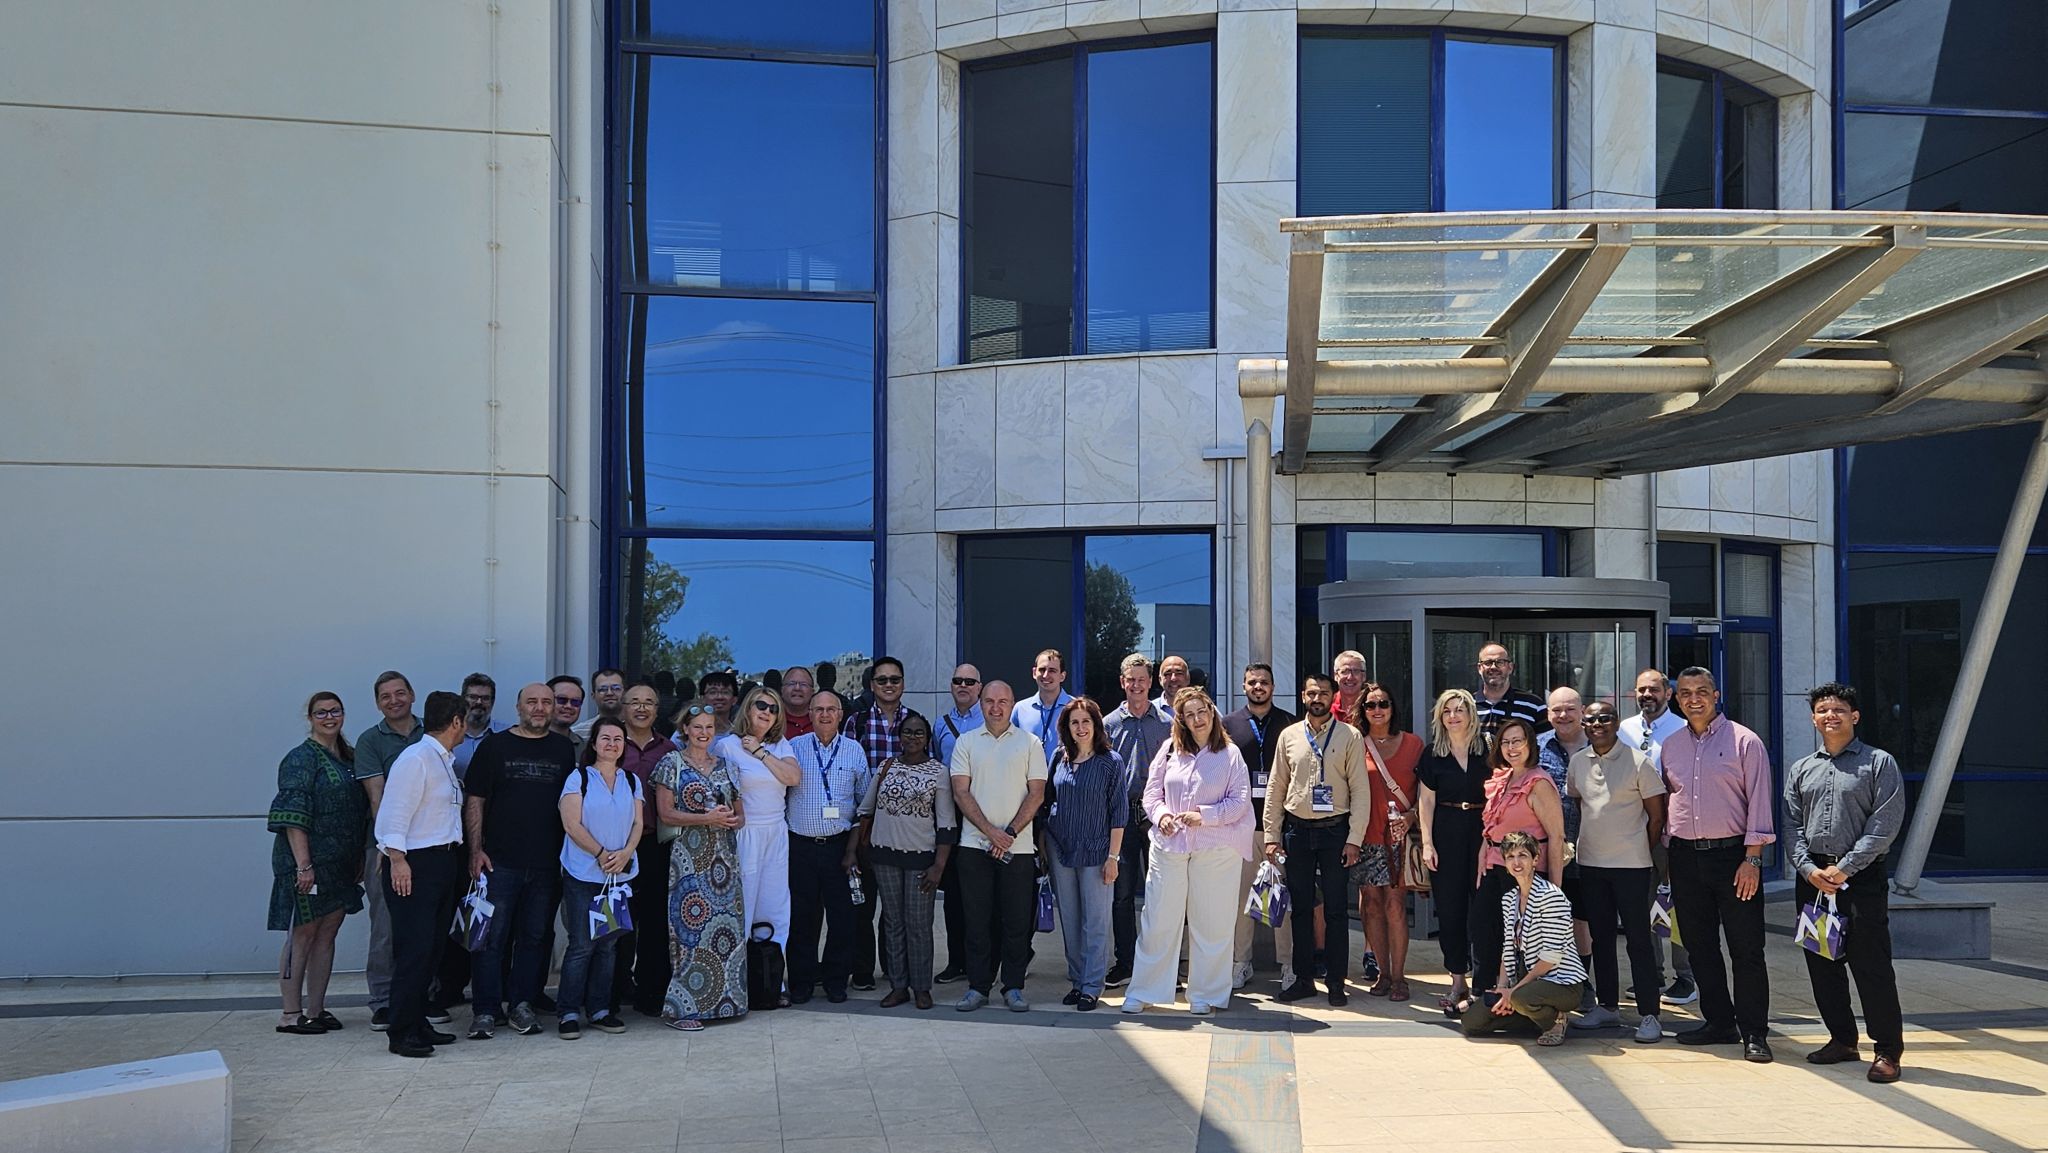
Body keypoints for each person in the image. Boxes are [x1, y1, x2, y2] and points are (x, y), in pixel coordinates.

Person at [1786, 683, 1906, 1083]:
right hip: (1814, 880)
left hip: (1861, 879)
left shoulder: (1878, 763)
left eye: (1838, 710)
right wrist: (1808, 869)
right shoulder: (1802, 768)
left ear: (1854, 716)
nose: (1830, 716)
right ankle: (1842, 1039)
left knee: (1871, 966)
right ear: (1813, 719)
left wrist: (1846, 868)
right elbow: (1791, 825)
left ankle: (1887, 1050)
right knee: (1823, 964)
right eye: (1823, 710)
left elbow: (1884, 824)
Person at [1662, 666, 1776, 1063]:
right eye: (1686, 692)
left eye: (1701, 691)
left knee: (1746, 948)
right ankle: (1719, 1022)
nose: (1694, 699)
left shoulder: (1745, 741)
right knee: (1699, 947)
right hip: (1685, 858)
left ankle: (1754, 1032)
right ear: (1676, 699)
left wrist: (1752, 860)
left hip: (1734, 859)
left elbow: (1759, 803)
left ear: (1716, 695)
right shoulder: (1671, 746)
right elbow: (1671, 801)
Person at [1122, 688, 1253, 1016]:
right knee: (1158, 920)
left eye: (1201, 711)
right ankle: (1145, 991)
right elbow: (1151, 795)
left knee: (1212, 923)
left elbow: (1239, 802)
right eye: (1189, 714)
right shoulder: (1169, 749)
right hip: (1170, 846)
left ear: (1212, 711)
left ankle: (1205, 994)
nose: (1197, 719)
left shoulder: (1230, 754)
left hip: (1216, 847)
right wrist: (1162, 816)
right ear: (1180, 720)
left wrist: (1204, 816)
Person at [462, 683, 578, 1040]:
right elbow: (475, 799)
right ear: (518, 707)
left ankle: (521, 1005)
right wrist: (475, 850)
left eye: (546, 702)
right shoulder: (494, 746)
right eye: (532, 702)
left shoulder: (563, 749)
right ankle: (485, 1009)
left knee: (534, 937)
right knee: (489, 939)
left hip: (546, 863)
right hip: (499, 862)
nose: (540, 708)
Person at [372, 692, 468, 1058]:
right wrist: (397, 860)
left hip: (442, 861)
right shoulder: (416, 759)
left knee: (431, 949)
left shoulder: (441, 759)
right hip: (415, 864)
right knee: (414, 950)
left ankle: (417, 1021)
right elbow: (393, 815)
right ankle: (401, 1031)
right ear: (456, 721)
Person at [1567, 700, 1667, 1044]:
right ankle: (1607, 1006)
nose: (1598, 724)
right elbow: (1580, 803)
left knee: (1639, 940)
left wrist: (1635, 845)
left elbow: (1657, 817)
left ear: (1617, 722)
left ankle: (1650, 1013)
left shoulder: (1640, 762)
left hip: (1632, 866)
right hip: (1591, 864)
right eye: (1591, 719)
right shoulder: (1578, 761)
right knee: (1601, 938)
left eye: (1605, 718)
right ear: (1584, 724)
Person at [268, 692, 368, 1035]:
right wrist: (304, 865)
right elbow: (292, 815)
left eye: (335, 711)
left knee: (328, 932)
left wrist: (358, 856)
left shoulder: (348, 758)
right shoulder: (300, 759)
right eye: (321, 713)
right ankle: (290, 1013)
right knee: (303, 933)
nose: (329, 718)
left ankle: (315, 1009)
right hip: (307, 863)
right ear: (310, 718)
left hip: (340, 864)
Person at [1266, 673, 1367, 1006]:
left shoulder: (1350, 735)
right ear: (1303, 696)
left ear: (1332, 696)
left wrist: (1354, 839)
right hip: (1297, 831)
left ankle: (1336, 981)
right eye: (1312, 693)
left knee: (1336, 909)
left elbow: (1360, 790)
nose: (1317, 698)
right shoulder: (1289, 736)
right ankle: (1304, 979)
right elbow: (1276, 786)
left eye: (1324, 693)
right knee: (1300, 909)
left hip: (1335, 832)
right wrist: (1272, 835)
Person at [950, 680, 1048, 1012]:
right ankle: (978, 987)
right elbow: (961, 792)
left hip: (1017, 849)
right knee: (977, 922)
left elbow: (1037, 793)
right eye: (989, 701)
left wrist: (1008, 833)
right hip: (974, 847)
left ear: (1012, 704)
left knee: (1016, 923)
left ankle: (1013, 986)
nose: (995, 707)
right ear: (981, 704)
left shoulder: (1030, 743)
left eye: (1002, 701)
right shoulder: (966, 742)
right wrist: (992, 833)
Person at [651, 705, 748, 1029]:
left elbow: (741, 815)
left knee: (726, 930)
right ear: (685, 729)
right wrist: (705, 818)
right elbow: (665, 814)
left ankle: (727, 1003)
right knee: (689, 932)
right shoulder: (671, 763)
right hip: (689, 861)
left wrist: (729, 819)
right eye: (697, 727)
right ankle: (683, 1009)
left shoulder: (728, 766)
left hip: (725, 861)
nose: (703, 733)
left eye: (709, 727)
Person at [856, 712, 957, 1010]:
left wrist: (939, 866)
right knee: (892, 922)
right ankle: (898, 986)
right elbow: (866, 810)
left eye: (919, 733)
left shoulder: (939, 772)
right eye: (908, 732)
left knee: (919, 925)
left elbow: (946, 824)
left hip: (921, 861)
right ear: (899, 737)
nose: (913, 737)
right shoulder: (886, 767)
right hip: (884, 856)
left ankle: (921, 987)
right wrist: (856, 851)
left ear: (927, 739)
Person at [1468, 718, 1567, 1013]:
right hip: (1494, 865)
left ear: (1530, 745)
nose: (1511, 748)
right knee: (1483, 928)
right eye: (1506, 742)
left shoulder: (1539, 783)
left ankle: (1514, 999)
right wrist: (1483, 856)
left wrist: (1555, 889)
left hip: (1525, 872)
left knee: (1515, 937)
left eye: (1517, 741)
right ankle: (1482, 994)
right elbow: (1491, 827)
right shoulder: (1502, 778)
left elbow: (1557, 837)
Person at [555, 716, 641, 1039]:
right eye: (606, 738)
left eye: (618, 739)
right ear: (593, 743)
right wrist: (601, 853)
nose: (612, 744)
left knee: (608, 945)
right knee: (581, 945)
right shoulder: (578, 778)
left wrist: (626, 853)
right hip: (584, 874)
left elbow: (638, 824)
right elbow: (571, 824)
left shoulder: (631, 780)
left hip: (618, 878)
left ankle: (600, 1009)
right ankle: (568, 1012)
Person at [1460, 832, 1589, 1046]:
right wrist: (1503, 988)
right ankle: (1532, 1014)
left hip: (1561, 983)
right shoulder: (1509, 899)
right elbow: (1508, 948)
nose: (1517, 862)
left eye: (1523, 856)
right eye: (1510, 857)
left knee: (1521, 998)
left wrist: (1514, 992)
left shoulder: (1551, 897)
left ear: (1535, 859)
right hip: (1523, 980)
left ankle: (1555, 1021)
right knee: (1472, 1022)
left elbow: (1550, 958)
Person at [785, 690, 873, 1004]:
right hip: (801, 847)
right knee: (802, 918)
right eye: (818, 709)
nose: (824, 715)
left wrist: (852, 850)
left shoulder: (853, 750)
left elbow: (864, 805)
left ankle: (836, 981)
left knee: (842, 918)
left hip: (840, 848)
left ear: (840, 715)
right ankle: (802, 981)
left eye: (830, 709)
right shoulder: (793, 748)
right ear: (809, 714)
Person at [1044, 698, 1129, 1011]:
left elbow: (1118, 812)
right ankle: (1078, 981)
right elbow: (1047, 800)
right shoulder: (1059, 757)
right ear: (1066, 727)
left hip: (1097, 852)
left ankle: (1093, 986)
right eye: (1074, 722)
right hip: (1061, 849)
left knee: (1095, 921)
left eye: (1086, 721)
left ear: (1096, 725)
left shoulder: (1111, 761)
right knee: (1070, 918)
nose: (1080, 728)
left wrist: (1113, 858)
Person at [1622, 667, 1698, 1007]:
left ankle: (1686, 977)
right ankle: (1651, 974)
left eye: (1654, 689)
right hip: (1634, 832)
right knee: (1642, 904)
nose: (1647, 695)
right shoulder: (1624, 729)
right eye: (1641, 690)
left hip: (1673, 834)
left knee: (1678, 905)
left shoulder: (1683, 729)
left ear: (1668, 693)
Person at [353, 671, 423, 1033]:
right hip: (385, 847)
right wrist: (391, 846)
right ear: (378, 704)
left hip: (429, 845)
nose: (394, 700)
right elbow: (377, 798)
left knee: (426, 925)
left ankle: (421, 996)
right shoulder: (370, 741)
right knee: (386, 926)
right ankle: (382, 1000)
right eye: (385, 696)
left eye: (400, 693)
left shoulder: (430, 732)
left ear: (412, 695)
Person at [1223, 663, 1299, 989]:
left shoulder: (1290, 724)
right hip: (1242, 825)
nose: (1258, 687)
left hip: (1279, 827)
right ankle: (1241, 962)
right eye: (1252, 682)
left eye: (1264, 682)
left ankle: (1288, 964)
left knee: (1281, 898)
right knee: (1243, 899)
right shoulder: (1227, 725)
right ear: (1243, 686)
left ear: (1273, 686)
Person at [713, 687, 800, 970]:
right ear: (748, 708)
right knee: (742, 905)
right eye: (761, 705)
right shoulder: (727, 746)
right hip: (744, 833)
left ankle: (771, 978)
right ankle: (735, 977)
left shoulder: (780, 745)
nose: (767, 712)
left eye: (774, 709)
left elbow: (793, 777)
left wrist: (760, 752)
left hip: (776, 832)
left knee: (775, 907)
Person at [1417, 689, 1490, 1013]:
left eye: (1459, 710)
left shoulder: (1488, 749)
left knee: (1483, 912)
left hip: (1483, 834)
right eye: (1447, 711)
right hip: (1446, 834)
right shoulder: (1433, 754)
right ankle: (1457, 980)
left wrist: (1492, 839)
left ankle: (1483, 983)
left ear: (1471, 713)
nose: (1453, 716)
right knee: (1450, 912)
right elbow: (1426, 801)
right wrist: (1427, 843)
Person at [842, 655, 911, 992]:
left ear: (903, 684)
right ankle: (862, 969)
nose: (888, 685)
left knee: (896, 907)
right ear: (872, 685)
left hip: (903, 829)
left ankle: (894, 967)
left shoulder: (915, 722)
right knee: (862, 904)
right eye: (882, 680)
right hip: (865, 828)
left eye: (894, 679)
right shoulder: (855, 723)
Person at [1102, 654, 1171, 988]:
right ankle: (1125, 962)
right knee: (1123, 894)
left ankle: (1161, 965)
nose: (1137, 685)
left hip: (1158, 816)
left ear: (1151, 682)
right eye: (1131, 679)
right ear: (1122, 682)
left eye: (1142, 679)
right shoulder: (1108, 724)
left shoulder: (1168, 723)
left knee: (1161, 894)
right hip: (1122, 817)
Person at [1355, 681, 1424, 1002]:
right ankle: (1382, 973)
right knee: (1371, 906)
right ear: (1363, 710)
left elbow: (1427, 791)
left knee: (1395, 906)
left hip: (1398, 837)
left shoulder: (1413, 744)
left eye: (1383, 703)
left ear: (1393, 708)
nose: (1377, 709)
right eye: (1370, 705)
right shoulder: (1355, 743)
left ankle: (1398, 977)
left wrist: (1412, 816)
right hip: (1365, 836)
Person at [615, 680, 676, 1016]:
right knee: (619, 921)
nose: (641, 708)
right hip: (616, 846)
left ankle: (651, 991)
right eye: (634, 702)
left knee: (655, 921)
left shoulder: (669, 749)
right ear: (623, 708)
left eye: (648, 702)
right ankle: (614, 989)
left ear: (657, 710)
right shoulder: (609, 743)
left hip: (655, 844)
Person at [1537, 687, 1592, 1007]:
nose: (1563, 715)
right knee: (1548, 920)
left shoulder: (1601, 744)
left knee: (1582, 920)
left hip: (1591, 848)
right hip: (1546, 850)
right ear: (1548, 714)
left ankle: (1583, 983)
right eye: (1556, 710)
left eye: (1570, 709)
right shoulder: (1537, 748)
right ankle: (1549, 982)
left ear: (1582, 711)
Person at [932, 663, 984, 983]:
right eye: (957, 681)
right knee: (953, 894)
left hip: (983, 814)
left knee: (981, 893)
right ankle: (956, 961)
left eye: (969, 681)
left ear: (979, 687)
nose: (963, 685)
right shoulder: (941, 724)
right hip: (951, 816)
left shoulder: (991, 719)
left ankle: (983, 962)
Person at [1473, 644, 1548, 743]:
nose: (1493, 667)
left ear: (1510, 667)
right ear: (1479, 668)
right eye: (1488, 663)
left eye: (1500, 662)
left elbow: (1546, 746)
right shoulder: (1467, 706)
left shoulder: (1534, 705)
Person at [1012, 649, 1076, 765]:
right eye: (1042, 670)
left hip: (1066, 774)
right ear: (1034, 672)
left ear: (1062, 676)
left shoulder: (1076, 708)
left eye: (1052, 671)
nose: (1046, 675)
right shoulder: (1020, 709)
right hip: (1028, 775)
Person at [453, 673, 499, 778]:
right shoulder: (448, 734)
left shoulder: (505, 733)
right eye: (473, 697)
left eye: (485, 698)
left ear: (492, 702)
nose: (479, 702)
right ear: (463, 699)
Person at [572, 668, 625, 741]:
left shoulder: (637, 729)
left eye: (616, 688)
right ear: (593, 695)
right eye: (602, 689)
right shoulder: (578, 733)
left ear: (626, 693)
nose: (609, 693)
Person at [1331, 649, 1369, 729]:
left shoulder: (1373, 706)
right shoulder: (1327, 706)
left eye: (1356, 671)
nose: (1350, 677)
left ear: (1364, 676)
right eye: (1345, 671)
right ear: (1336, 676)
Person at [548, 675, 586, 750]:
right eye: (562, 700)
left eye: (575, 702)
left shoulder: (585, 749)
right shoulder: (528, 742)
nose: (568, 706)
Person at [780, 665, 817, 739]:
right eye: (792, 683)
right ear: (782, 690)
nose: (797, 688)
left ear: (812, 692)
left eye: (803, 684)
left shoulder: (822, 719)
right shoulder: (771, 720)